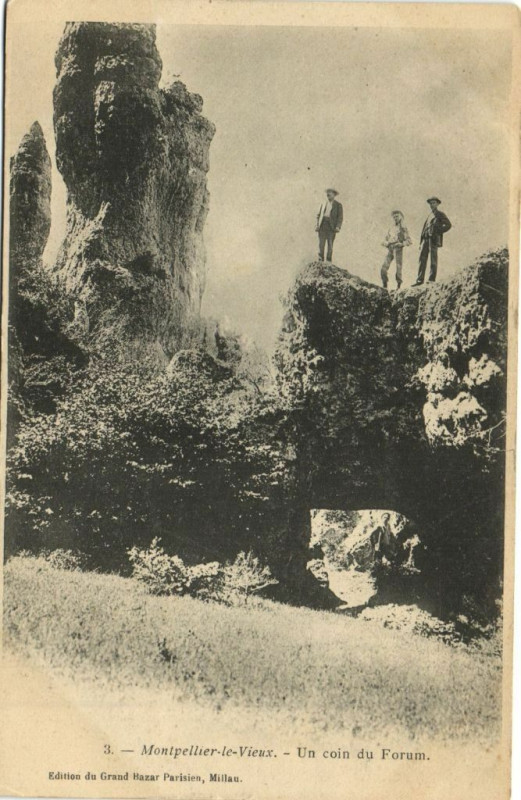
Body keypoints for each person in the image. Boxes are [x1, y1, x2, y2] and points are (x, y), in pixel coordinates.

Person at [413, 197, 452, 285]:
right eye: (430, 203)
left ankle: (431, 279)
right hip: (425, 239)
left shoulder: (440, 214)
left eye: (434, 203)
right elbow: (424, 229)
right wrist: (421, 241)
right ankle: (419, 280)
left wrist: (438, 231)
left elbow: (448, 225)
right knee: (422, 259)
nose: (432, 205)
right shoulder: (429, 215)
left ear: (437, 204)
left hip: (433, 239)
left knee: (433, 259)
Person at [380, 210, 412, 289]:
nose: (395, 218)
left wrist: (402, 244)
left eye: (397, 216)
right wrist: (385, 243)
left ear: (401, 217)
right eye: (394, 217)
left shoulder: (403, 228)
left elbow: (409, 240)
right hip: (390, 248)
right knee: (383, 268)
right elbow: (385, 239)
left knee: (398, 267)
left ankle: (398, 286)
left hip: (398, 248)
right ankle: (385, 285)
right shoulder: (391, 228)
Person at [316, 188, 343, 263]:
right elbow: (318, 215)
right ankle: (320, 259)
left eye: (330, 192)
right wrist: (317, 225)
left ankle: (328, 260)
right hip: (322, 225)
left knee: (330, 244)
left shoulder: (338, 205)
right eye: (327, 193)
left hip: (331, 227)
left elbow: (340, 217)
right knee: (321, 243)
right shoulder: (323, 203)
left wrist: (338, 227)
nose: (328, 194)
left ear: (334, 194)